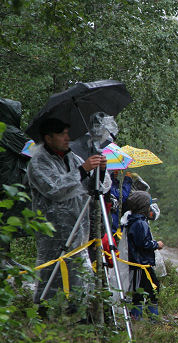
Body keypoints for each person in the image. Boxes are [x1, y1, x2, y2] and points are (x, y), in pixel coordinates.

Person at [27, 118, 111, 305]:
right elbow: (55, 189)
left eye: (67, 133)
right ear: (48, 138)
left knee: (78, 275)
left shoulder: (73, 158)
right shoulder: (39, 162)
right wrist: (83, 169)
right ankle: (45, 313)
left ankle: (81, 313)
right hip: (52, 232)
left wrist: (101, 171)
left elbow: (92, 188)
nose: (67, 138)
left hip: (78, 229)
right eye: (62, 134)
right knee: (51, 274)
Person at [0, 98, 31, 265]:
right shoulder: (9, 132)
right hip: (8, 183)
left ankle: (6, 258)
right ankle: (3, 260)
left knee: (5, 219)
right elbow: (31, 150)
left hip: (7, 181)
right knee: (6, 219)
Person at [123, 190, 163, 319]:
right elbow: (143, 243)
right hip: (141, 264)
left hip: (139, 263)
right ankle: (151, 317)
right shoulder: (139, 223)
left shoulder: (134, 220)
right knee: (152, 288)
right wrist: (156, 244)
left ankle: (139, 317)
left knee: (141, 290)